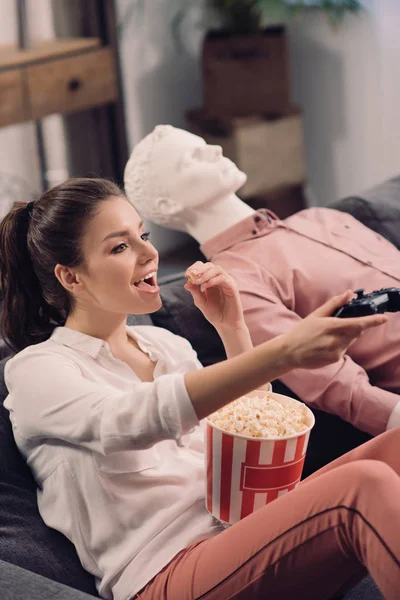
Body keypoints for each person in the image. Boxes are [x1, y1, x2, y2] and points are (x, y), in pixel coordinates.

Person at [0, 176, 398, 600]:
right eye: (120, 246)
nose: (150, 253)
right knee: (362, 485)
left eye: (144, 235)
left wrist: (233, 329)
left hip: (245, 533)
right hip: (166, 573)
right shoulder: (37, 369)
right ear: (71, 278)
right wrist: (284, 352)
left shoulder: (166, 346)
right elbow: (125, 421)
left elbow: (252, 443)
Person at [124, 125, 400, 443]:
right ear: (168, 204)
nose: (216, 150)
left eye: (205, 144)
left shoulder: (322, 218)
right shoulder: (233, 281)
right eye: (192, 157)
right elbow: (336, 384)